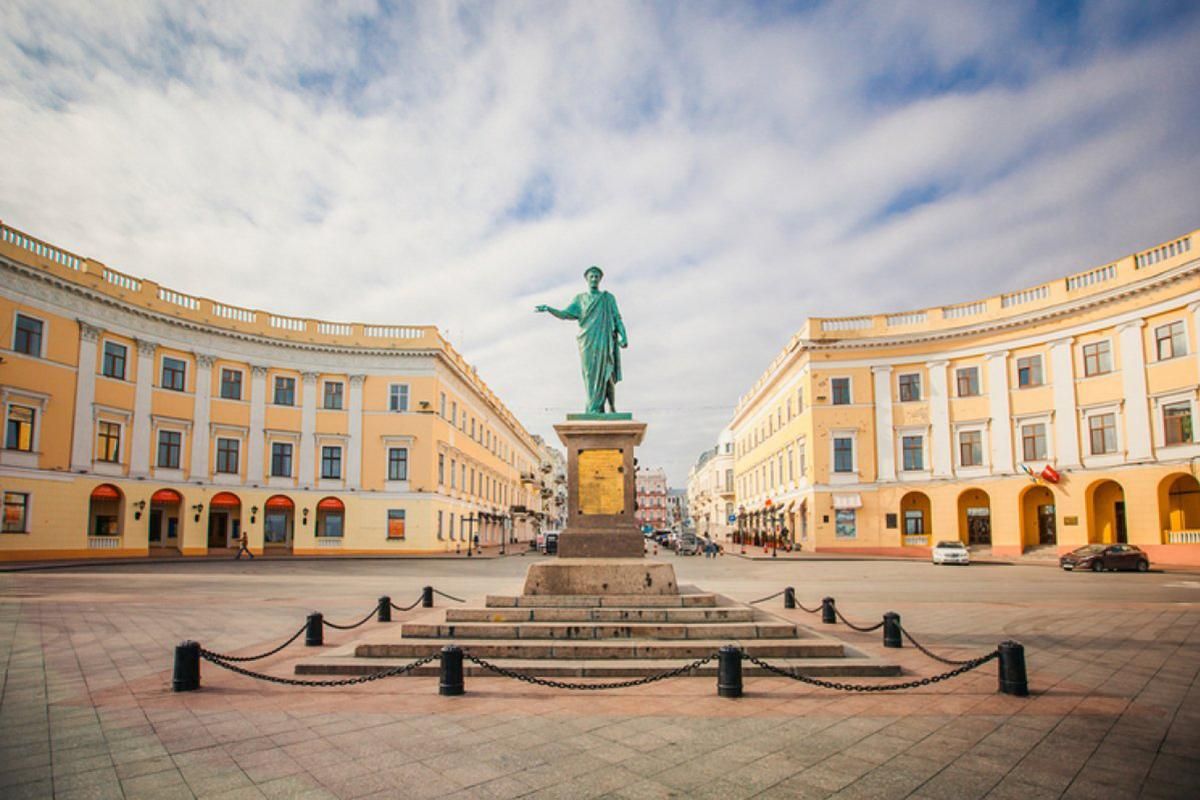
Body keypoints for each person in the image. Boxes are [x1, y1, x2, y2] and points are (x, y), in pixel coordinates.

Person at [535, 266, 628, 414]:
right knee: (589, 375)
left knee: (607, 374)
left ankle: (611, 407)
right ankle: (593, 408)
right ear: (586, 279)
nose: (594, 279)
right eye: (591, 276)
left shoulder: (608, 298)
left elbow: (617, 318)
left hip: (604, 339)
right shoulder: (580, 299)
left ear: (600, 279)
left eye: (597, 276)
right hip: (587, 342)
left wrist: (624, 335)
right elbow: (565, 314)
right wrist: (549, 309)